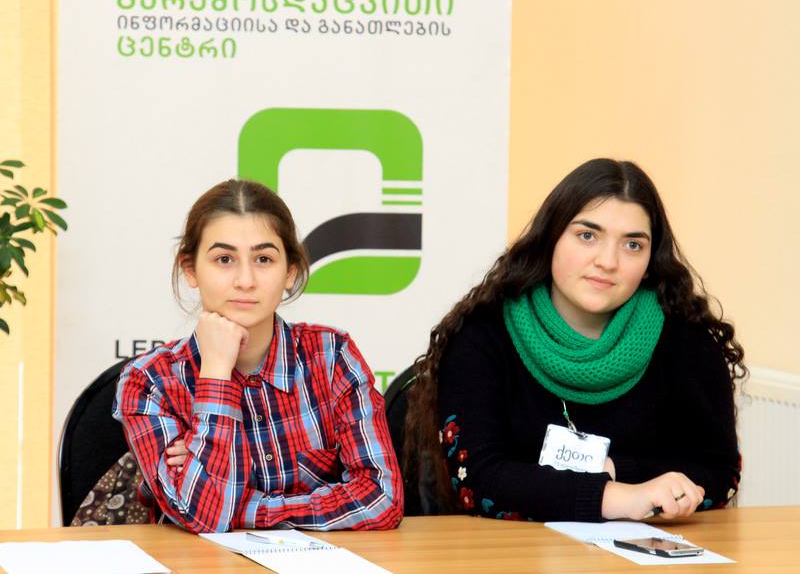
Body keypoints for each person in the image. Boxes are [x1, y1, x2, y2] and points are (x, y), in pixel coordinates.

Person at [404, 158, 744, 522]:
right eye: (587, 236)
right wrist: (616, 497)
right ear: (551, 238)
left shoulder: (686, 339)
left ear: (650, 260)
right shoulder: (483, 336)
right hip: (511, 549)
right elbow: (477, 481)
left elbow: (720, 471)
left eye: (632, 245)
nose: (608, 261)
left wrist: (613, 469)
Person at [112, 179, 403, 533]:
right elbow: (204, 518)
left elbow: (381, 499)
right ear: (190, 269)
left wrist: (243, 508)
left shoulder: (331, 357)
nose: (245, 280)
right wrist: (216, 373)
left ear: (290, 272)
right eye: (224, 259)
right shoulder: (149, 382)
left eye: (263, 259)